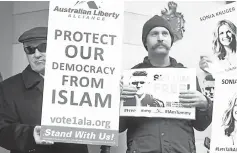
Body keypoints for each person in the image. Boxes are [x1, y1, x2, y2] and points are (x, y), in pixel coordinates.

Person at [119, 15, 213, 153]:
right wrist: (117, 101)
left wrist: (205, 104)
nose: (160, 38)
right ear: (145, 41)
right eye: (154, 33)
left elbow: (201, 125)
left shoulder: (187, 76)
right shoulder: (131, 77)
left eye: (165, 33)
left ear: (171, 40)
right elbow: (120, 127)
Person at [0, 27, 88, 153]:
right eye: (29, 49)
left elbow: (110, 126)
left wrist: (114, 98)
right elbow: (2, 129)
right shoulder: (8, 87)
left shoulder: (82, 83)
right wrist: (31, 134)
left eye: (43, 47)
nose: (36, 54)